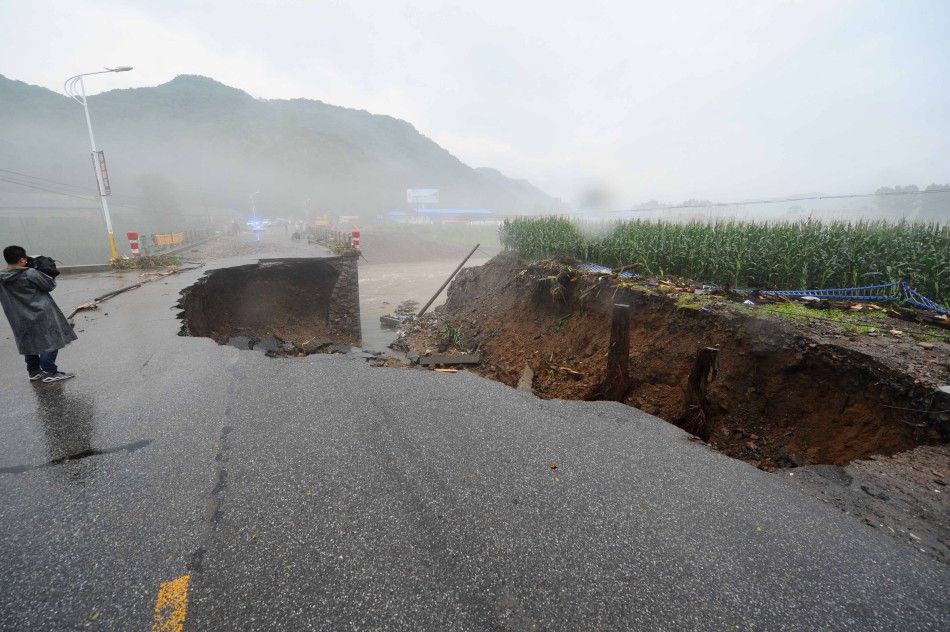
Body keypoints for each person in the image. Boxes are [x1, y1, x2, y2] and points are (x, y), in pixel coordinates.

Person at [0, 245, 76, 382]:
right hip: (41, 313)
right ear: (22, 260)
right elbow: (49, 285)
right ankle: (50, 372)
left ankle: (34, 371)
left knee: (30, 342)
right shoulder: (30, 273)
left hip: (18, 317)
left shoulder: (1, 277)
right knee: (51, 341)